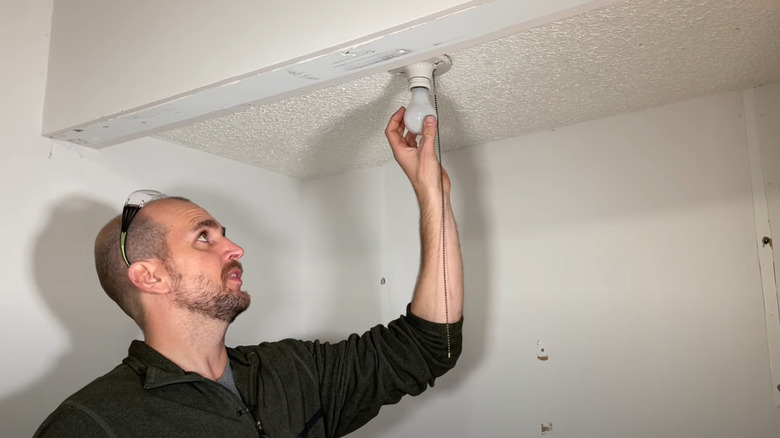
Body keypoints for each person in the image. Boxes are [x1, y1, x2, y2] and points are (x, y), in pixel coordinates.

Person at [34, 110, 464, 437]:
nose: (235, 249)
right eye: (204, 237)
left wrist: (432, 192)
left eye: (224, 235)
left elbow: (430, 346)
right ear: (151, 277)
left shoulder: (295, 370)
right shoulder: (91, 424)